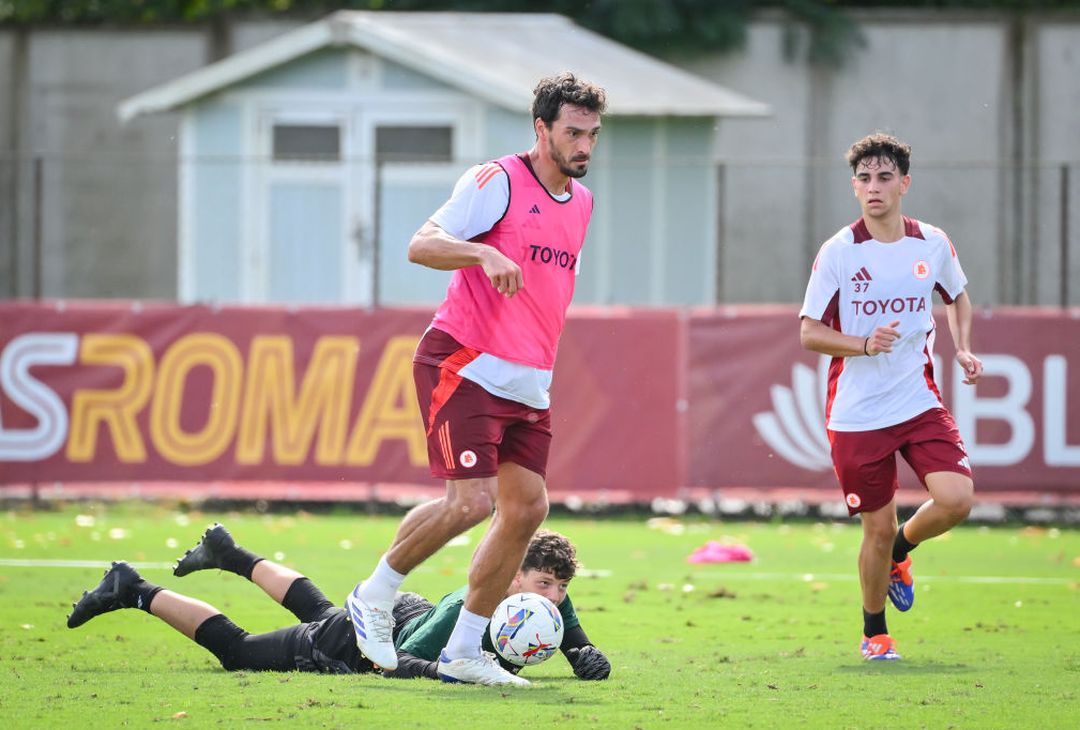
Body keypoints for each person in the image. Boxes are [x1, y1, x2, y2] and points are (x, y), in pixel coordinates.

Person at [344, 72, 607, 686]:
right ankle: (374, 594)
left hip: (528, 380)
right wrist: (483, 252)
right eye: (573, 132)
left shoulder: (585, 202)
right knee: (472, 502)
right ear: (541, 129)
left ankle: (464, 652)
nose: (584, 145)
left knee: (526, 509)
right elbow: (422, 243)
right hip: (465, 362)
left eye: (593, 134)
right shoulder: (498, 181)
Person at [798, 133, 983, 661]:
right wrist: (861, 343)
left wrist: (965, 348)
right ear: (854, 187)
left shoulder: (932, 242)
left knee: (957, 499)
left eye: (884, 177)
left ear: (904, 183)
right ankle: (874, 632)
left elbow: (958, 295)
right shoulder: (838, 252)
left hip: (918, 402)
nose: (873, 187)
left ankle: (904, 549)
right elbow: (809, 332)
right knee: (875, 530)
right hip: (856, 415)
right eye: (864, 178)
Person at [65, 524, 611, 681]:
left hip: (393, 616)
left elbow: (583, 652)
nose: (555, 597)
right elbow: (395, 658)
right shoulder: (468, 605)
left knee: (320, 609)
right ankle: (134, 590)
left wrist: (588, 660)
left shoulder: (549, 607)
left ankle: (229, 554)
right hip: (364, 642)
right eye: (544, 583)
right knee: (240, 653)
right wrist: (460, 673)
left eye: (560, 587)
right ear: (512, 576)